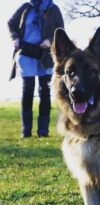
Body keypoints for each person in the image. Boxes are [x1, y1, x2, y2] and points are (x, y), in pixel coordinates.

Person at [8, 0, 64, 138]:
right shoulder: (26, 7)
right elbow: (11, 23)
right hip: (26, 53)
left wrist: (50, 41)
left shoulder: (54, 9)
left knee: (44, 91)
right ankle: (26, 131)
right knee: (28, 90)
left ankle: (43, 132)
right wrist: (15, 38)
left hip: (45, 56)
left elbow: (61, 30)